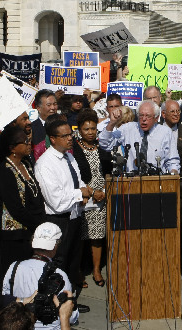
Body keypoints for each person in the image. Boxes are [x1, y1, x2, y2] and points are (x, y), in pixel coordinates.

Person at [35, 117, 99, 297]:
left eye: (71, 134)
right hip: (59, 220)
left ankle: (71, 302)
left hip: (75, 217)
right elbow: (56, 201)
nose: (70, 138)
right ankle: (57, 304)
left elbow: (77, 182)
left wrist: (88, 192)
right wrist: (81, 194)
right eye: (65, 136)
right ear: (53, 139)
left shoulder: (69, 156)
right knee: (59, 264)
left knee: (73, 263)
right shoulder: (45, 164)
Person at [0, 125, 46, 287]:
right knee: (13, 273)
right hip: (13, 234)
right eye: (25, 142)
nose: (29, 144)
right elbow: (15, 207)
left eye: (29, 141)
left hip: (30, 229)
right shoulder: (6, 170)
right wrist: (36, 222)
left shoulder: (27, 164)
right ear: (13, 148)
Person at [2, 222, 81, 329]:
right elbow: (71, 317)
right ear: (55, 246)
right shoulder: (60, 275)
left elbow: (5, 300)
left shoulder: (14, 267)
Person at [71, 109, 112, 288]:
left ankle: (96, 270)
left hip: (100, 198)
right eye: (86, 129)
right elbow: (73, 175)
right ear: (79, 130)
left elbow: (107, 173)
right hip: (84, 198)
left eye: (93, 129)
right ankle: (78, 271)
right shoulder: (73, 149)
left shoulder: (101, 148)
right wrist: (90, 191)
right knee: (80, 238)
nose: (90, 132)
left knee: (97, 237)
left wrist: (103, 190)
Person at [99, 100, 180, 174]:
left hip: (157, 182)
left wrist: (173, 172)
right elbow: (105, 144)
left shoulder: (165, 132)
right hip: (132, 182)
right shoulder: (127, 129)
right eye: (141, 115)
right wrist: (112, 123)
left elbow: (172, 160)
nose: (144, 119)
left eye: (148, 116)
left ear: (156, 118)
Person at [31, 90, 59, 161]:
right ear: (38, 108)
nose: (53, 108)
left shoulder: (64, 126)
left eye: (55, 104)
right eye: (49, 105)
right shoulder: (32, 129)